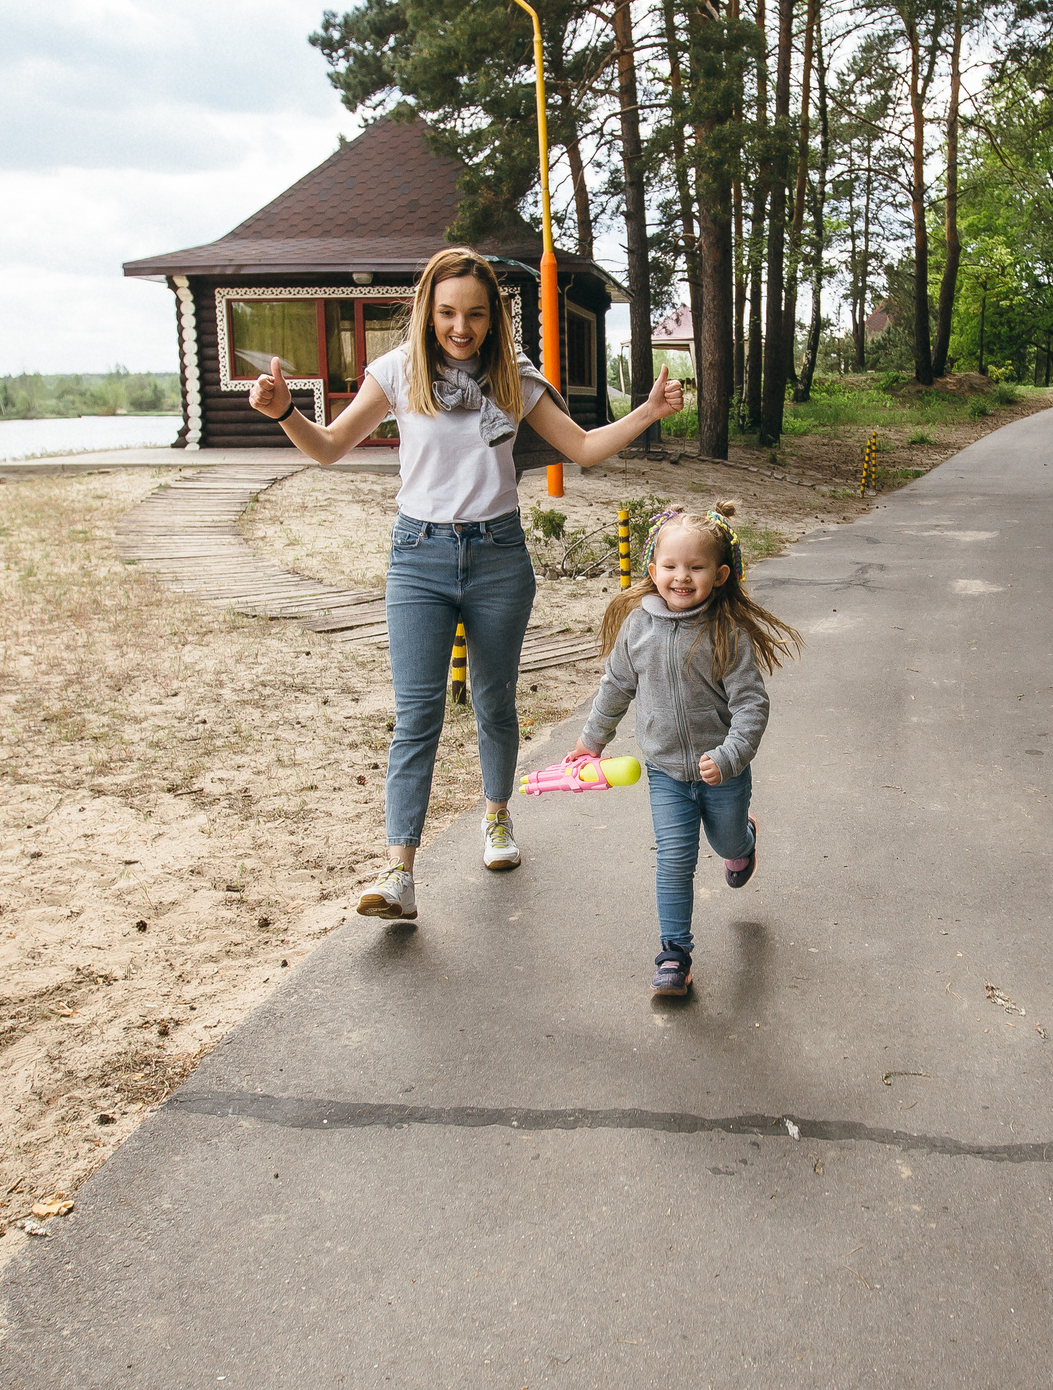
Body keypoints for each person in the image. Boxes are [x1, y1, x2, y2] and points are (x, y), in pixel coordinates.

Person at [246, 247, 684, 922]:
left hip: (497, 556)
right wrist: (285, 413)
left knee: (493, 701)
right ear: (428, 311)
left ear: (493, 319)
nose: (461, 327)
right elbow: (329, 447)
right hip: (418, 556)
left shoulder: (514, 377)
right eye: (448, 312)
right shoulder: (398, 371)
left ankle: (497, 817)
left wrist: (647, 411)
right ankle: (399, 872)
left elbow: (583, 447)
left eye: (476, 315)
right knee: (417, 715)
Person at [574, 501, 799, 996]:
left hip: (723, 773)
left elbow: (751, 705)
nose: (681, 577)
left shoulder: (726, 633)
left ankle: (744, 841)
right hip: (666, 773)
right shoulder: (638, 629)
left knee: (726, 844)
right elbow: (615, 687)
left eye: (695, 567)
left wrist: (729, 757)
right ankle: (674, 955)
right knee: (675, 860)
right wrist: (591, 742)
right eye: (670, 566)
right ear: (652, 569)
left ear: (720, 575)